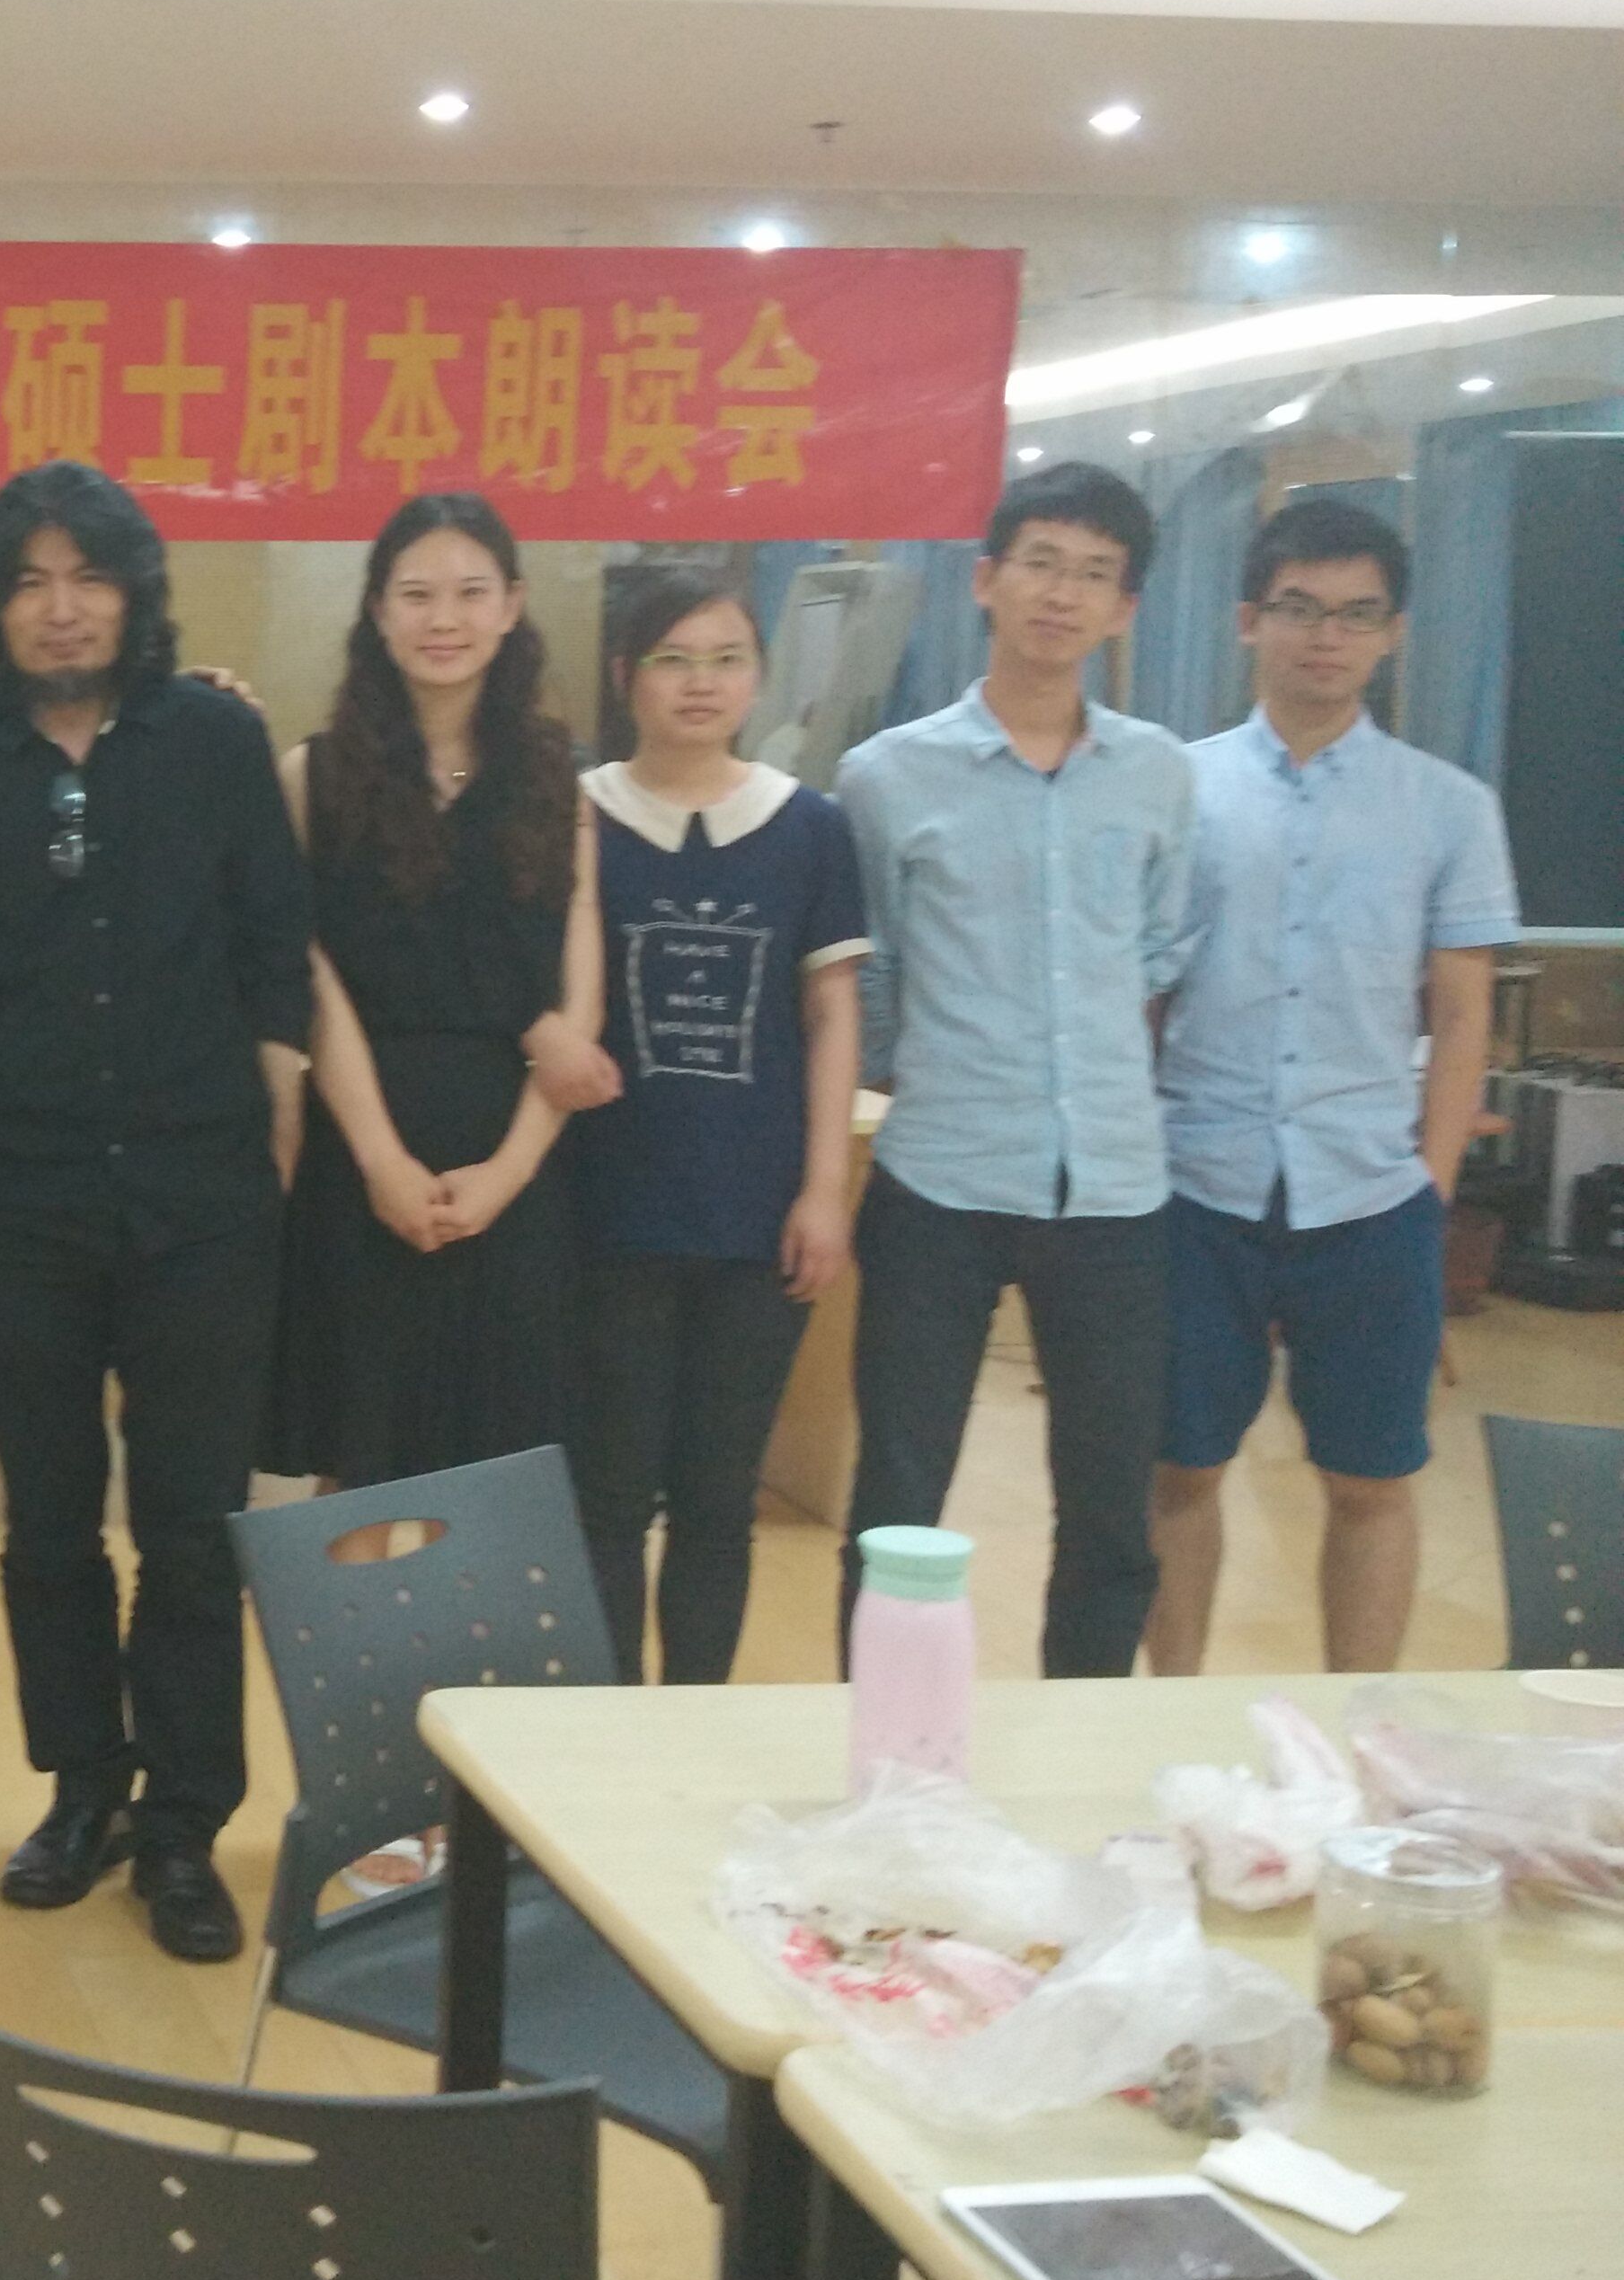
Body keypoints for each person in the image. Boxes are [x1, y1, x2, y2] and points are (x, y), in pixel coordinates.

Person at [0, 462, 311, 1965]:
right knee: (48, 1521)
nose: (60, 608)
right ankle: (82, 1789)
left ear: (132, 595)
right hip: (21, 1200)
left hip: (203, 1192)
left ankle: (183, 1825)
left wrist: (275, 1098)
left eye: (88, 578)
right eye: (29, 581)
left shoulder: (214, 741)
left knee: (193, 1525)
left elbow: (274, 937)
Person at [1147, 501, 1515, 1676]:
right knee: (1178, 1466)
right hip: (1196, 1183)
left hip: (1369, 1193)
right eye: (1299, 608)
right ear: (1247, 620)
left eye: (1357, 615)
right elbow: (1142, 995)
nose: (1326, 636)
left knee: (1371, 1478)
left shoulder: (1447, 806)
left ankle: (1359, 1733)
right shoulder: (1177, 789)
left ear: (1392, 633)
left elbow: (1461, 1014)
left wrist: (1430, 1185)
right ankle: (1170, 1720)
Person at [839, 462, 1194, 1679]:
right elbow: (874, 972)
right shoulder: (888, 775)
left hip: (1114, 1194)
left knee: (1109, 1517)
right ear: (986, 580)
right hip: (938, 1180)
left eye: (1094, 575)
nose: (1061, 593)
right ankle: (877, 1751)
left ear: (1124, 609)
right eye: (1040, 562)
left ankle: (1076, 1748)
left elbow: (1155, 953)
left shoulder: (1159, 774)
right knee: (895, 1503)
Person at [270, 492, 604, 1501]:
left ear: (512, 606)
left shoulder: (558, 779)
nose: (443, 619)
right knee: (359, 1471)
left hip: (516, 1162)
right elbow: (310, 977)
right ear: (378, 611)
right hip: (362, 1155)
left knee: (494, 1484)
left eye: (469, 592)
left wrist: (508, 1173)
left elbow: (578, 993)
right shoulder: (313, 776)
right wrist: (380, 1161)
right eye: (416, 594)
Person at [564, 571, 866, 1683]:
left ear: (757, 678)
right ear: (624, 676)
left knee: (715, 1497)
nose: (700, 684)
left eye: (726, 659)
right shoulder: (573, 816)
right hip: (603, 1214)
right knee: (602, 1497)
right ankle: (601, 1747)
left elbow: (831, 1011)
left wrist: (823, 1191)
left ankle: (692, 1724)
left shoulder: (807, 827)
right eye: (672, 660)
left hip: (754, 1217)